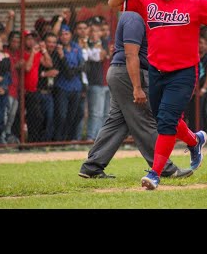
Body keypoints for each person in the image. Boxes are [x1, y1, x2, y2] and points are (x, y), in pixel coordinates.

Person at [108, 0, 207, 190]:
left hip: (184, 72)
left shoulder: (195, 1)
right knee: (164, 120)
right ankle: (195, 140)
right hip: (157, 71)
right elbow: (113, 2)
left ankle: (155, 174)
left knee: (166, 123)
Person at [79, 11, 193, 179]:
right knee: (144, 121)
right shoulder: (134, 16)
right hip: (129, 74)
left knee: (117, 122)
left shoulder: (137, 17)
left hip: (122, 73)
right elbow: (131, 54)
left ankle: (92, 167)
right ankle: (165, 168)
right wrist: (137, 87)